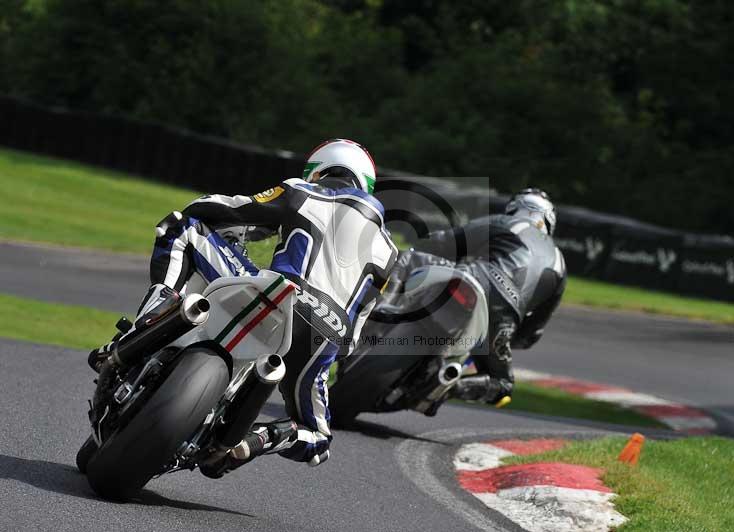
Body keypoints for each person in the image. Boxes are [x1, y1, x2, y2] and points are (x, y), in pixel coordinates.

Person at [89, 138, 397, 471]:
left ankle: (134, 337)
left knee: (181, 227)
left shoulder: (302, 191)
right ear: (367, 186)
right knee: (318, 438)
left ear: (317, 172)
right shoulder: (390, 252)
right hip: (324, 338)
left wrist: (215, 218)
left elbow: (226, 209)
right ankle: (249, 443)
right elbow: (353, 338)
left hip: (277, 294)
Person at [382, 188, 566, 412]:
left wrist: (423, 247)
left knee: (410, 257)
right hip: (503, 321)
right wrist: (506, 338)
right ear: (549, 220)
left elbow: (447, 241)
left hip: (473, 279)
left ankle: (384, 307)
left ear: (514, 208)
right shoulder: (560, 265)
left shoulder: (508, 223)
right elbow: (532, 333)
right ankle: (447, 385)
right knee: (503, 385)